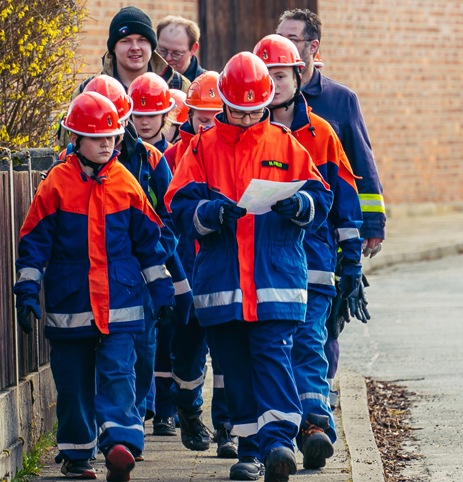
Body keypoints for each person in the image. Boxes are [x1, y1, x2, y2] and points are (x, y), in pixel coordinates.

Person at [165, 52, 333, 482]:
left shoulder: (284, 143)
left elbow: (321, 196)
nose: (244, 119)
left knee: (273, 359)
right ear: (224, 103)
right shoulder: (200, 148)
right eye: (238, 111)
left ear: (266, 104)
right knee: (234, 370)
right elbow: (179, 205)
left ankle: (277, 442)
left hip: (275, 281)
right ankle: (250, 450)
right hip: (222, 287)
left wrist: (302, 205)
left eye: (253, 110)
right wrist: (208, 214)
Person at [13, 91, 175, 481]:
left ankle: (120, 445)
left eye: (112, 136)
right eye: (97, 137)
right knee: (74, 385)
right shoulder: (56, 184)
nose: (107, 143)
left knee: (120, 374)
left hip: (120, 305)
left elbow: (150, 245)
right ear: (76, 139)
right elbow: (33, 243)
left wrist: (163, 290)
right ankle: (76, 455)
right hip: (71, 307)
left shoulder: (126, 183)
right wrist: (26, 292)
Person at [253, 34, 365, 470]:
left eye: (282, 75)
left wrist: (351, 261)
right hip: (269, 267)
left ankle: (316, 425)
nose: (276, 84)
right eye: (269, 77)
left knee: (310, 344)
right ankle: (285, 430)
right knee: (278, 350)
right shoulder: (251, 134)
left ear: (299, 75)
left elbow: (346, 199)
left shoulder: (321, 133)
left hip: (315, 264)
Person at [277, 8, 384, 406]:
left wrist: (372, 224)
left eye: (292, 40)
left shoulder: (339, 101)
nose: (283, 46)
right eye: (279, 37)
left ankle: (318, 396)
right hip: (279, 233)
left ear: (312, 47)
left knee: (326, 319)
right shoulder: (263, 103)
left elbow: (360, 167)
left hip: (329, 230)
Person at [78, 75, 193, 444]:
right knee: (97, 357)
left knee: (142, 353)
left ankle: (134, 415)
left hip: (140, 275)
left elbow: (173, 213)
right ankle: (112, 429)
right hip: (88, 273)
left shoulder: (150, 159)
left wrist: (163, 262)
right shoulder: (68, 165)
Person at [162, 71, 237, 459]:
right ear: (187, 116)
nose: (207, 123)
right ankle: (190, 409)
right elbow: (167, 218)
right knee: (188, 355)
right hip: (186, 275)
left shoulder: (229, 154)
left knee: (225, 355)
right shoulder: (173, 158)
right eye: (200, 117)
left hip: (220, 273)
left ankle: (226, 426)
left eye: (214, 116)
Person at [72, 7, 190, 99]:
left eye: (142, 40)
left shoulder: (178, 86)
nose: (135, 47)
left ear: (152, 46)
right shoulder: (90, 90)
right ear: (113, 48)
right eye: (126, 41)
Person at [129, 72, 176, 154]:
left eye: (151, 116)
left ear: (165, 115)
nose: (144, 122)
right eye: (138, 116)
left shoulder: (176, 154)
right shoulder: (123, 156)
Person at [156, 16, 205, 82]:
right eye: (163, 51)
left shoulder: (208, 85)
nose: (168, 58)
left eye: (176, 53)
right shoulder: (147, 79)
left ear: (193, 48)